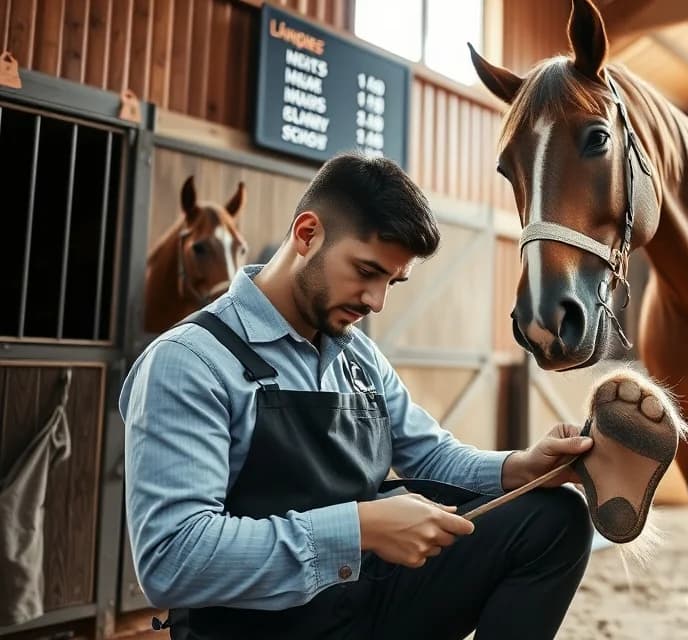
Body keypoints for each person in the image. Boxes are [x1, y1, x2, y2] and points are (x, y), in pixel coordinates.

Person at [119, 152, 595, 640]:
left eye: (392, 281)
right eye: (366, 270)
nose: (376, 301)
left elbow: (430, 454)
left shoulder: (358, 356)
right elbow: (171, 561)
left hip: (367, 601)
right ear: (307, 235)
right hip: (261, 627)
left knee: (556, 520)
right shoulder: (189, 362)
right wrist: (360, 528)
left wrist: (524, 468)